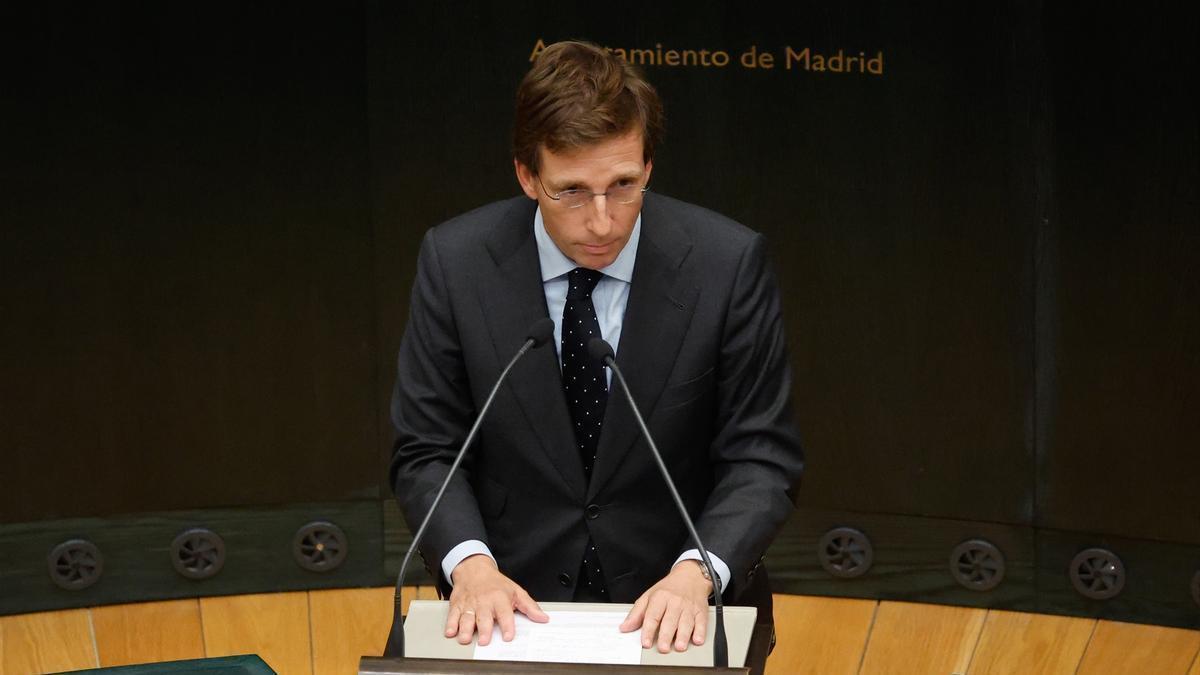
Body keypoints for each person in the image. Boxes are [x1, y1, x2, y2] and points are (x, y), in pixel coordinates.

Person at [389, 40, 803, 657]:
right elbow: (427, 449)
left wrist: (698, 575)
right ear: (528, 176)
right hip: (508, 607)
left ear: (649, 166)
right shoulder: (457, 264)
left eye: (624, 184)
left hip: (675, 604)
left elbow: (761, 456)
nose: (604, 220)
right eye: (573, 192)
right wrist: (470, 567)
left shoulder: (727, 265)